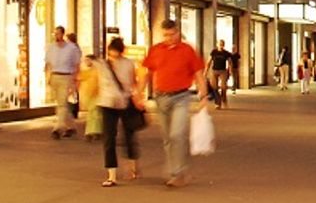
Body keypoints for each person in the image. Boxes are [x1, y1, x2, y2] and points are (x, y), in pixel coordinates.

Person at [142, 19, 209, 187]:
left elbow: (199, 74)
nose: (169, 38)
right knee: (167, 138)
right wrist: (138, 92)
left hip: (181, 97)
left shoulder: (187, 50)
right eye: (165, 35)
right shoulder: (156, 50)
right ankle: (176, 171)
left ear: (178, 32)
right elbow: (147, 72)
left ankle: (177, 173)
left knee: (176, 134)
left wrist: (203, 96)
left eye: (172, 34)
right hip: (160, 97)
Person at [96, 37, 141, 187]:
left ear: (121, 53)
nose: (113, 58)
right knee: (109, 138)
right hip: (107, 104)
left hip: (125, 103)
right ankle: (111, 175)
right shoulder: (102, 64)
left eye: (116, 55)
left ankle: (132, 166)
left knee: (129, 135)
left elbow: (133, 82)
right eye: (111, 54)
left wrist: (137, 97)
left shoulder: (128, 64)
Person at [44, 25, 81, 138]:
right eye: (55, 34)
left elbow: (77, 64)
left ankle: (58, 128)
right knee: (62, 103)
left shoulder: (71, 48)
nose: (56, 36)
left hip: (66, 76)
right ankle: (71, 126)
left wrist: (75, 80)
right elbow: (48, 64)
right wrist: (48, 77)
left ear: (63, 34)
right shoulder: (51, 47)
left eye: (58, 33)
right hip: (55, 75)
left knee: (61, 104)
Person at [78, 53, 103, 141]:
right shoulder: (87, 71)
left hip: (97, 94)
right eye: (85, 60)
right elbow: (79, 78)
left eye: (88, 60)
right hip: (89, 94)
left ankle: (91, 132)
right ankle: (96, 131)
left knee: (94, 113)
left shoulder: (98, 71)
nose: (86, 62)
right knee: (93, 114)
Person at [208, 41, 232, 108]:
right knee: (214, 87)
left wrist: (230, 71)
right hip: (214, 71)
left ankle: (224, 99)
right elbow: (209, 62)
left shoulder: (226, 53)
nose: (221, 46)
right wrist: (205, 72)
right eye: (220, 44)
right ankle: (218, 103)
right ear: (217, 44)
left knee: (223, 87)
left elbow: (230, 63)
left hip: (223, 71)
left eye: (222, 45)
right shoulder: (214, 52)